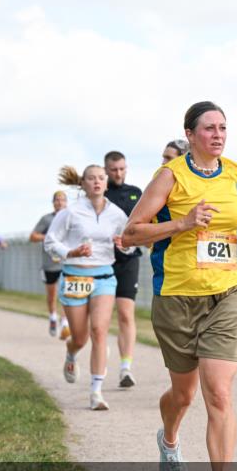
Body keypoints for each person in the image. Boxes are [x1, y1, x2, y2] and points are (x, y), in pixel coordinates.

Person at [122, 101, 237, 471]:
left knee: (218, 392)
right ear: (190, 134)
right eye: (209, 128)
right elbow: (131, 234)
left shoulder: (235, 174)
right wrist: (182, 223)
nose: (218, 135)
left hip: (228, 291)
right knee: (183, 395)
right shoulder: (170, 176)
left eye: (223, 128)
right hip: (178, 297)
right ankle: (169, 438)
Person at [44, 165, 128, 411]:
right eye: (91, 178)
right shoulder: (70, 212)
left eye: (101, 178)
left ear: (106, 183)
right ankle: (71, 353)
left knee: (99, 331)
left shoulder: (117, 214)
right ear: (83, 183)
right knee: (80, 338)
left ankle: (96, 392)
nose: (97, 182)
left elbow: (129, 243)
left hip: (104, 276)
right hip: (75, 276)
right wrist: (71, 252)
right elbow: (50, 241)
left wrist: (124, 244)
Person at [104, 150, 143, 388]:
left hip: (128, 260)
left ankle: (125, 368)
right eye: (113, 170)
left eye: (122, 169)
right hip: (102, 261)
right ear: (106, 170)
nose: (118, 173)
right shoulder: (100, 194)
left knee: (126, 314)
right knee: (100, 317)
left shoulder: (136, 193)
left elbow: (144, 225)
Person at [30, 190, 70, 339]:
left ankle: (64, 322)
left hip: (66, 262)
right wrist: (47, 236)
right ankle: (53, 317)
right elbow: (33, 236)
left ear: (66, 202)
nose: (60, 202)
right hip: (50, 263)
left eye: (62, 199)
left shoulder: (71, 218)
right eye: (57, 200)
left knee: (66, 293)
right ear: (53, 203)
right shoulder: (46, 219)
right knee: (52, 295)